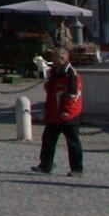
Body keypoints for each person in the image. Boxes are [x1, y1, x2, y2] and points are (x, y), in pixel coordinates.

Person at [34, 46, 85, 177]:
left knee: (73, 143)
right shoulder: (52, 71)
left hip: (68, 115)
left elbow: (73, 95)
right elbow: (51, 91)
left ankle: (77, 169)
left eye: (55, 57)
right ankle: (45, 165)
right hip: (53, 113)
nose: (53, 60)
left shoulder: (71, 73)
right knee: (48, 140)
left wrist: (66, 112)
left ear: (63, 58)